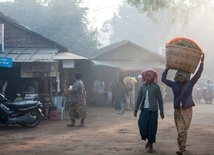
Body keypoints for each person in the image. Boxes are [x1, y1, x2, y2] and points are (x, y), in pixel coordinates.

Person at [161, 53, 204, 155]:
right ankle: (181, 148)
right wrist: (166, 69)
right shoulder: (173, 84)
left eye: (183, 75)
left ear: (186, 77)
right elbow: (163, 79)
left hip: (187, 110)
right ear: (177, 76)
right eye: (179, 75)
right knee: (180, 130)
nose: (181, 77)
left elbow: (198, 74)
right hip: (177, 110)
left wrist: (202, 63)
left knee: (184, 130)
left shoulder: (190, 83)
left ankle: (182, 147)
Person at [134, 69, 164, 153]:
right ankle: (148, 140)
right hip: (144, 110)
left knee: (151, 128)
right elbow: (138, 98)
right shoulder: (142, 87)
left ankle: (151, 145)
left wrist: (161, 111)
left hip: (153, 110)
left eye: (149, 76)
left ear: (153, 77)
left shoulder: (156, 87)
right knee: (142, 125)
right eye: (146, 76)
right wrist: (135, 109)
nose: (147, 77)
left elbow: (160, 100)